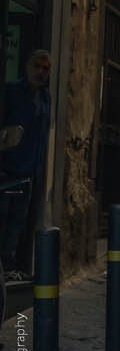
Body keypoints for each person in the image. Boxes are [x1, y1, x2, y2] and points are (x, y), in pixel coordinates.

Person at [0, 50, 52, 280]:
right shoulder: (11, 91)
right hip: (7, 170)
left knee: (18, 223)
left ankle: (9, 266)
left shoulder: (46, 98)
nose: (40, 72)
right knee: (3, 219)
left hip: (30, 172)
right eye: (37, 66)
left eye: (45, 68)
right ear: (27, 67)